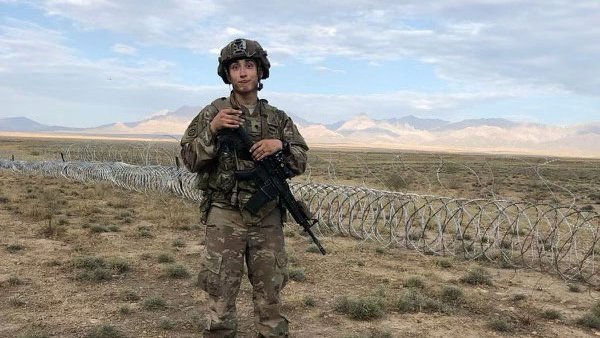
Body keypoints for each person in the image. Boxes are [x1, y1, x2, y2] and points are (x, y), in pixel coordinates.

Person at [180, 38, 308, 338]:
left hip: (266, 218)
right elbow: (189, 158)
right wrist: (213, 130)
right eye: (235, 67)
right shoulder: (214, 113)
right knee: (221, 294)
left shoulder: (277, 119)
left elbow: (300, 160)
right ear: (227, 74)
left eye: (249, 65)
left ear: (260, 71)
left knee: (271, 296)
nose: (242, 72)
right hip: (225, 214)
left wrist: (281, 145)